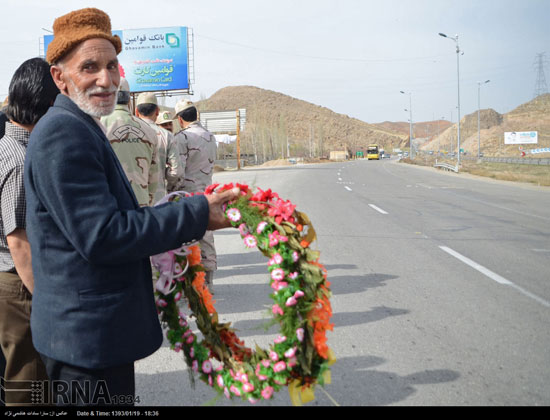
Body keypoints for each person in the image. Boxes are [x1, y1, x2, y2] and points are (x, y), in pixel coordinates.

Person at [24, 8, 238, 406]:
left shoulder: (81, 123)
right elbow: (103, 236)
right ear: (60, 77)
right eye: (89, 67)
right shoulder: (63, 135)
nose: (106, 79)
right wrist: (195, 214)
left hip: (94, 336)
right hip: (85, 343)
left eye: (111, 65)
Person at [0, 57, 59, 406]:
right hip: (19, 284)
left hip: (11, 281)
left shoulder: (8, 146)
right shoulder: (20, 160)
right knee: (30, 382)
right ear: (48, 107)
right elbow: (19, 242)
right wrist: (45, 299)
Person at [170, 99, 218, 293]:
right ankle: (209, 280)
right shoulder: (210, 135)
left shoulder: (182, 138)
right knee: (207, 232)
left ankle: (192, 281)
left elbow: (178, 171)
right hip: (207, 192)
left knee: (188, 236)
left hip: (188, 194)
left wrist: (171, 191)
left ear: (180, 119)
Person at [101, 79, 160, 207]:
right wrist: (147, 202)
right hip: (141, 207)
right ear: (129, 100)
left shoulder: (98, 126)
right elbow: (154, 177)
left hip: (111, 208)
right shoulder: (148, 130)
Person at [135, 93, 180, 205]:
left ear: (136, 112)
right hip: (157, 198)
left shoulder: (128, 134)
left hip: (133, 197)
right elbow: (176, 171)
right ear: (157, 111)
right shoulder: (166, 136)